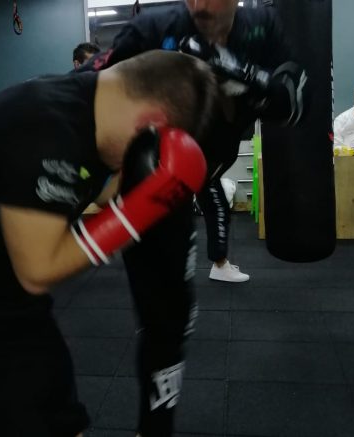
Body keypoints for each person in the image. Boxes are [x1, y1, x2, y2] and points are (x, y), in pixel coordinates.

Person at [0, 49, 218, 437]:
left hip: (17, 311)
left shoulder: (84, 102)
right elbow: (38, 270)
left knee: (65, 424)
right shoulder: (49, 131)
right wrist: (133, 217)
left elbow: (94, 186)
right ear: (150, 124)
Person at [78, 1, 306, 434]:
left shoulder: (263, 27)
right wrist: (18, 105)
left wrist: (237, 71)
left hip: (196, 174)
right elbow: (85, 84)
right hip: (144, 184)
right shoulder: (153, 28)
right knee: (165, 320)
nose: (200, 5)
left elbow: (296, 103)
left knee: (175, 317)